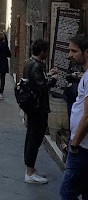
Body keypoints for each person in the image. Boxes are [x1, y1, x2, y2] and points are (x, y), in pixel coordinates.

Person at [42, 35, 88, 200]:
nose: (69, 55)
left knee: (67, 193)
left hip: (83, 147)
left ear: (86, 52)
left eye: (73, 51)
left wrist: (75, 142)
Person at [23, 38, 57, 184]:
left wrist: (47, 75)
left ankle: (30, 169)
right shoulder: (36, 66)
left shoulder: (29, 63)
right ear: (42, 52)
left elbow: (36, 81)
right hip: (37, 108)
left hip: (31, 107)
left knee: (32, 137)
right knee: (35, 139)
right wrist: (53, 79)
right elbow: (41, 87)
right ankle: (30, 172)